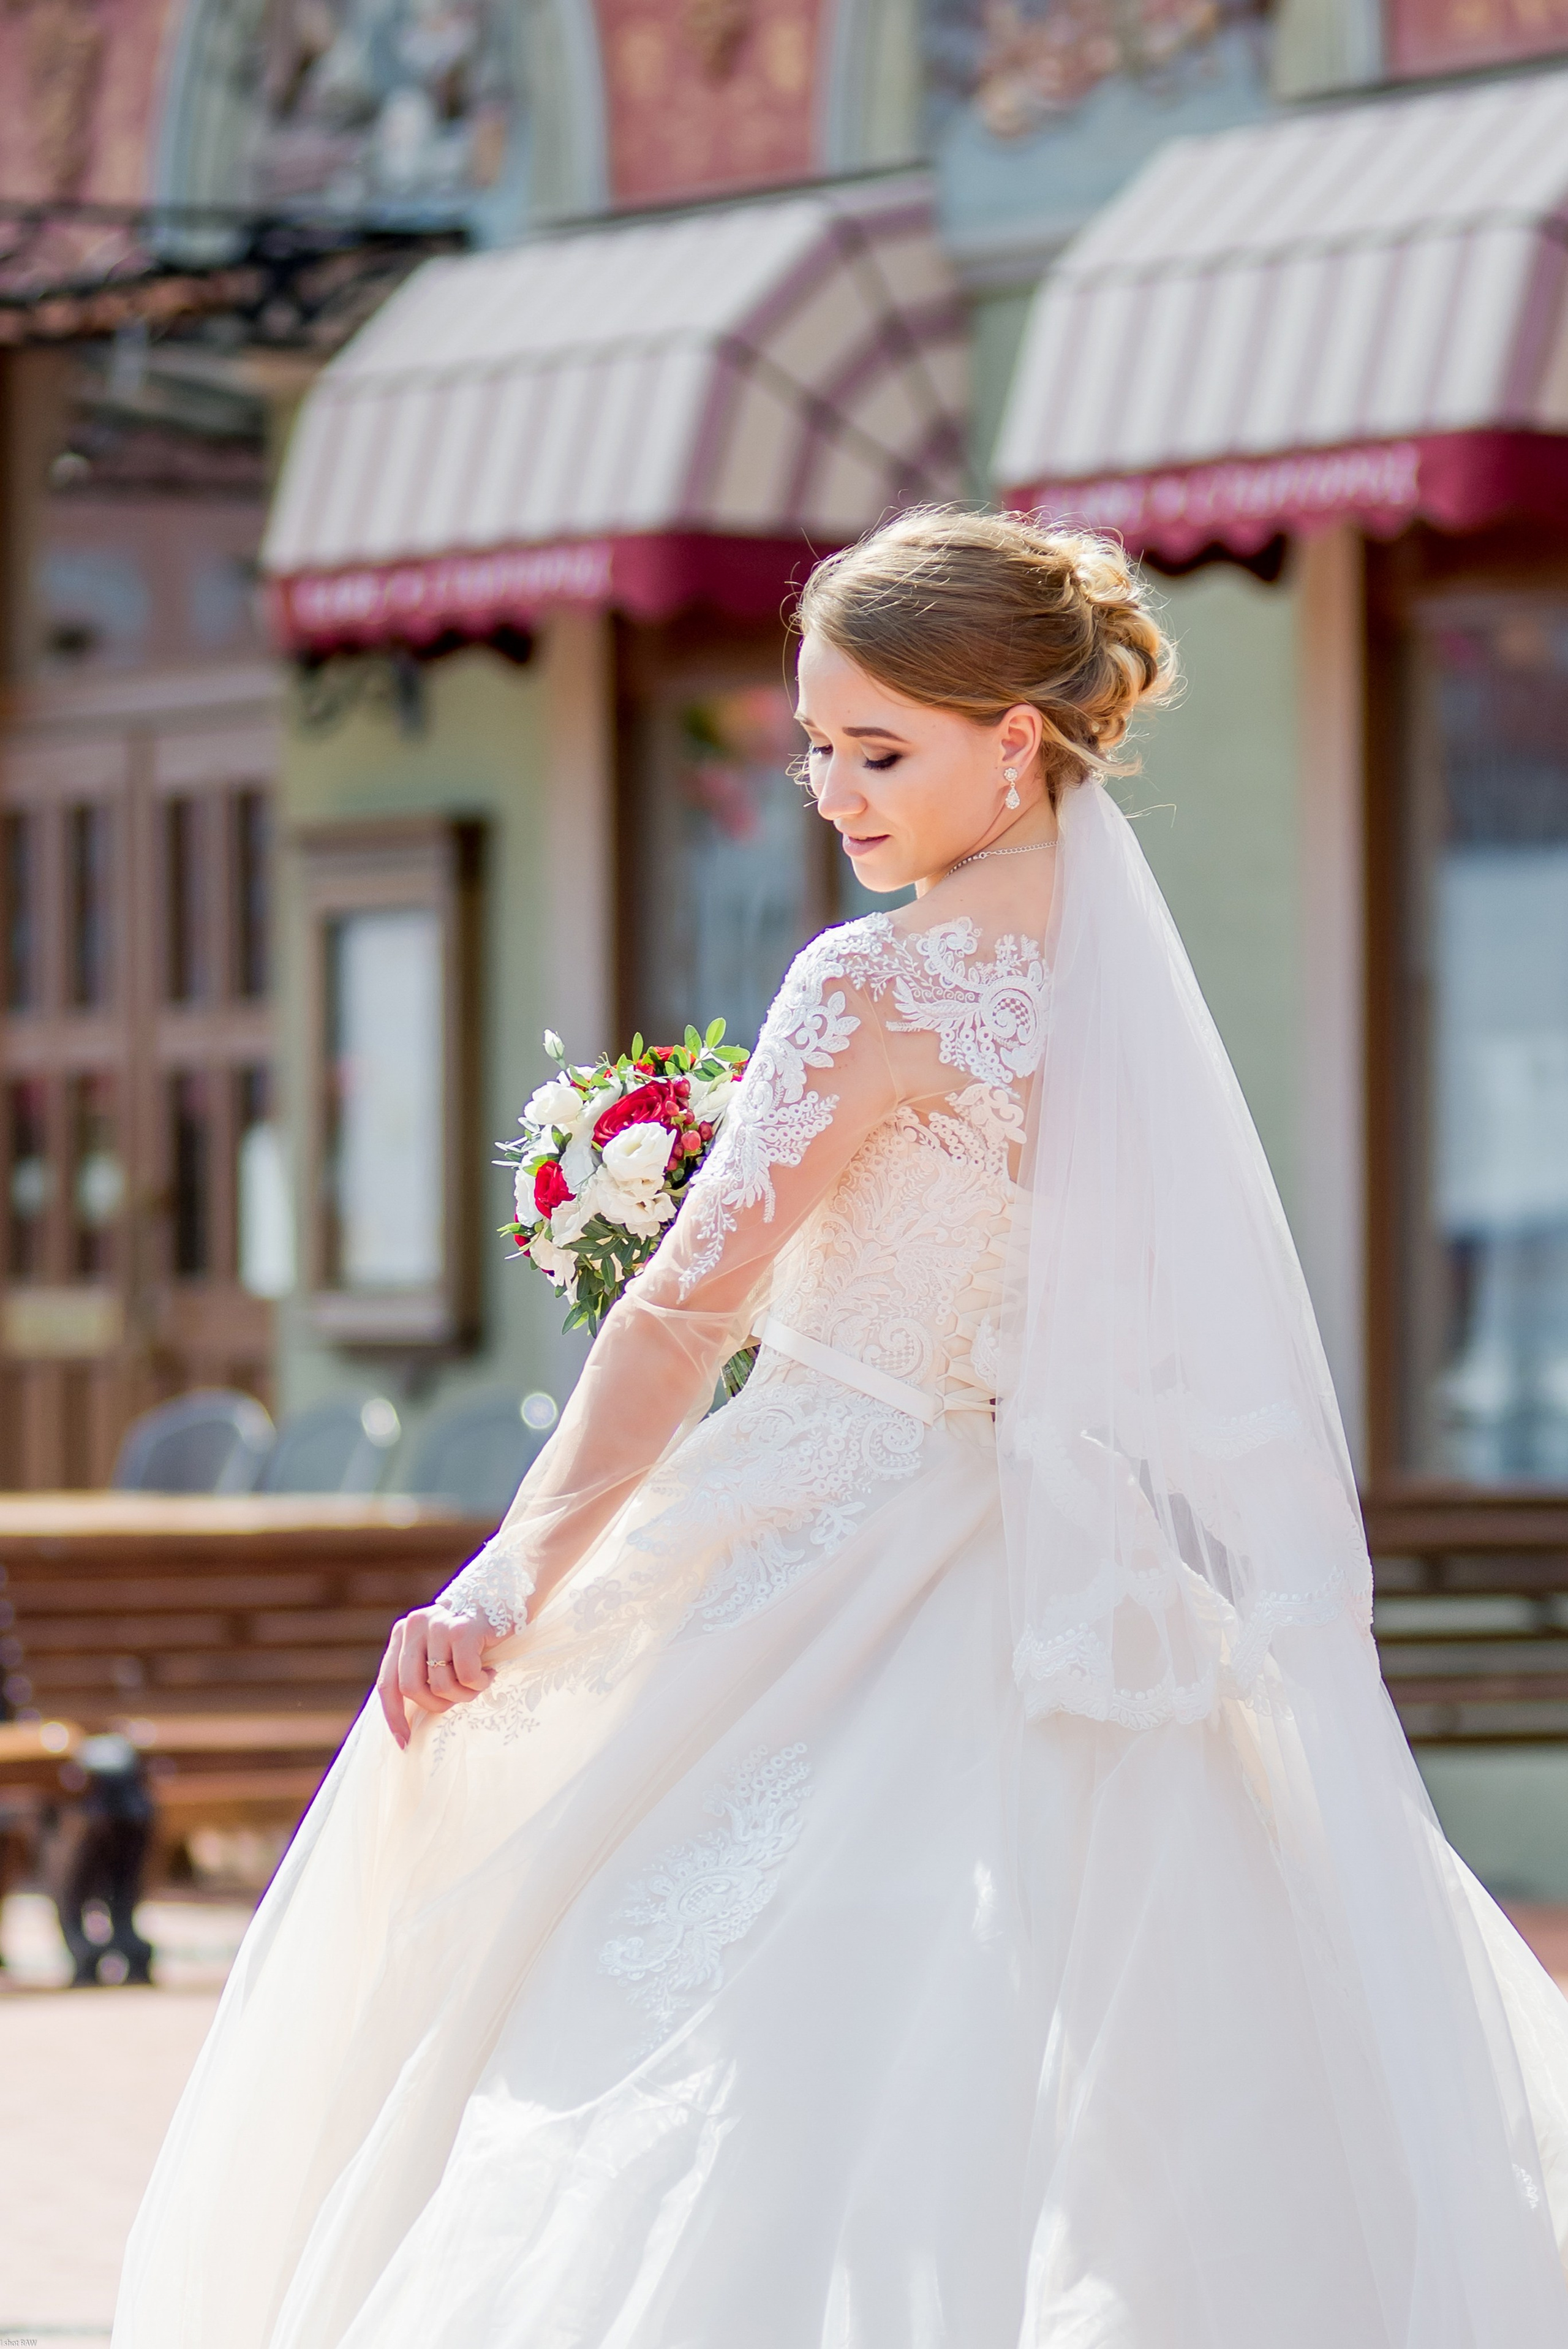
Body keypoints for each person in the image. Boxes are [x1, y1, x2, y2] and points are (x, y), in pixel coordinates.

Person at [115, 510, 1568, 2348]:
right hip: (1057, 1553)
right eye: (813, 743)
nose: (831, 790)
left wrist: (517, 1568)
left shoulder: (874, 982)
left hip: (834, 1515)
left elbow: (680, 1312)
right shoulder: (1122, 999)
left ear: (1015, 740)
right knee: (1080, 2079)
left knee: (678, 2003)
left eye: (880, 749)